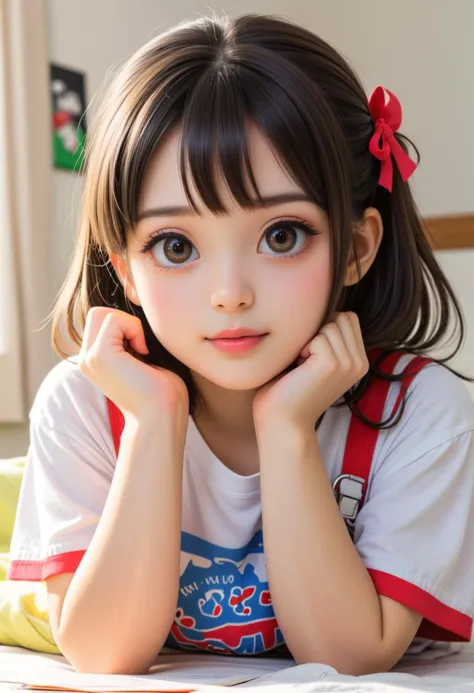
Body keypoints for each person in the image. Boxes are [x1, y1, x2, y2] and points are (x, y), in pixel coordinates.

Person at [7, 12, 474, 677]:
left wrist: (285, 428)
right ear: (127, 267)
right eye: (176, 246)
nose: (229, 292)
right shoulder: (89, 403)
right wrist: (153, 422)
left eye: (281, 235)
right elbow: (103, 653)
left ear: (358, 247)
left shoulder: (417, 412)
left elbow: (348, 657)